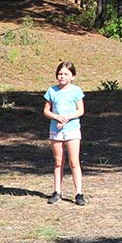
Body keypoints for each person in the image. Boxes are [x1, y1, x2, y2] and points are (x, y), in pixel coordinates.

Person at [43, 61, 86, 206]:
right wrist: (56, 117)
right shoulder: (52, 91)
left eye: (66, 74)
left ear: (73, 76)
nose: (62, 76)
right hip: (56, 130)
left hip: (72, 129)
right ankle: (57, 192)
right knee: (58, 161)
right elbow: (46, 111)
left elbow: (80, 110)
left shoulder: (76, 91)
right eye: (60, 74)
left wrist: (67, 118)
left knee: (74, 161)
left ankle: (79, 193)